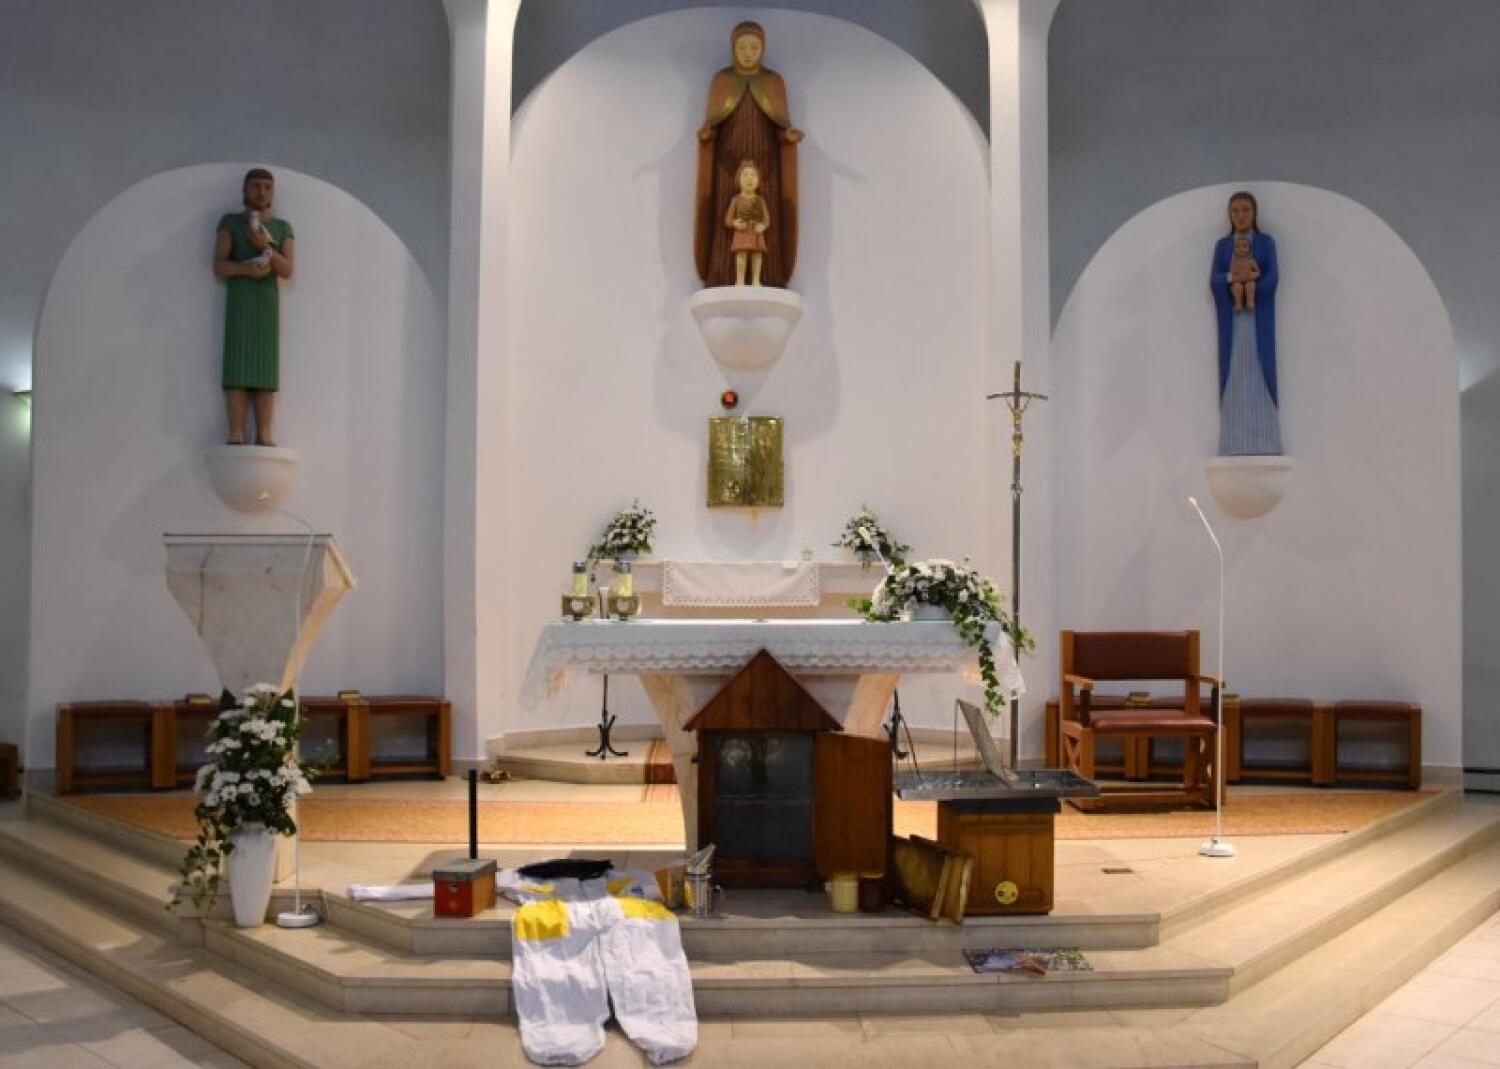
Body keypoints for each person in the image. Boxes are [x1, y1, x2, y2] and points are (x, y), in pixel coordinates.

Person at [693, 21, 803, 289]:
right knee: (727, 208)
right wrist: (707, 135)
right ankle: (723, 274)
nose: (748, 53)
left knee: (764, 210)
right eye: (742, 47)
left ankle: (767, 277)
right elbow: (712, 123)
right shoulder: (722, 81)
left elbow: (781, 124)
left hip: (766, 159)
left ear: (763, 49)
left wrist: (787, 137)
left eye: (754, 47)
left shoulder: (774, 82)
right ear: (733, 48)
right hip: (727, 159)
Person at [214, 168, 295, 446]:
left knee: (265, 364)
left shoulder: (282, 227)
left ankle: (264, 431)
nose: (261, 192)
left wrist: (265, 248)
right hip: (240, 299)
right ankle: (236, 429)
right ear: (245, 190)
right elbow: (219, 265)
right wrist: (246, 270)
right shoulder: (230, 222)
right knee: (237, 362)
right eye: (256, 186)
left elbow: (287, 269)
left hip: (266, 303)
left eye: (267, 187)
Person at [1210, 191, 1281, 455]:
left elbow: (1272, 277)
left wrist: (1252, 283)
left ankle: (1266, 439)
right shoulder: (1222, 246)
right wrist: (1232, 279)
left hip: (1257, 318)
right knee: (1234, 372)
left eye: (1246, 210)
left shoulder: (1265, 243)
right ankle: (1234, 440)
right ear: (1229, 215)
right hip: (1233, 320)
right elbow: (1215, 279)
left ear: (1255, 213)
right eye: (1235, 211)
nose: (1240, 216)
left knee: (1260, 371)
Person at [724, 160, 769, 286]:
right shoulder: (736, 200)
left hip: (756, 232)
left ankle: (756, 280)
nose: (749, 179)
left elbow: (766, 219)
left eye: (753, 175)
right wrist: (735, 223)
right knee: (741, 255)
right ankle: (740, 280)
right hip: (741, 232)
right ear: (738, 180)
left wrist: (763, 226)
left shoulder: (760, 200)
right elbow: (728, 219)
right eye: (745, 175)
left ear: (758, 180)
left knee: (757, 255)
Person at [1228, 234, 1260, 311]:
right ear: (1234, 250)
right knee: (1237, 287)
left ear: (1249, 249)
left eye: (1244, 246)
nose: (1241, 249)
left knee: (1251, 285)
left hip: (1248, 279)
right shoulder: (1234, 262)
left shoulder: (1251, 261)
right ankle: (1238, 303)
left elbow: (1258, 271)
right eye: (1238, 247)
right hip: (1238, 280)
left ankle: (1250, 302)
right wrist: (1235, 272)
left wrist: (1254, 274)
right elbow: (1232, 273)